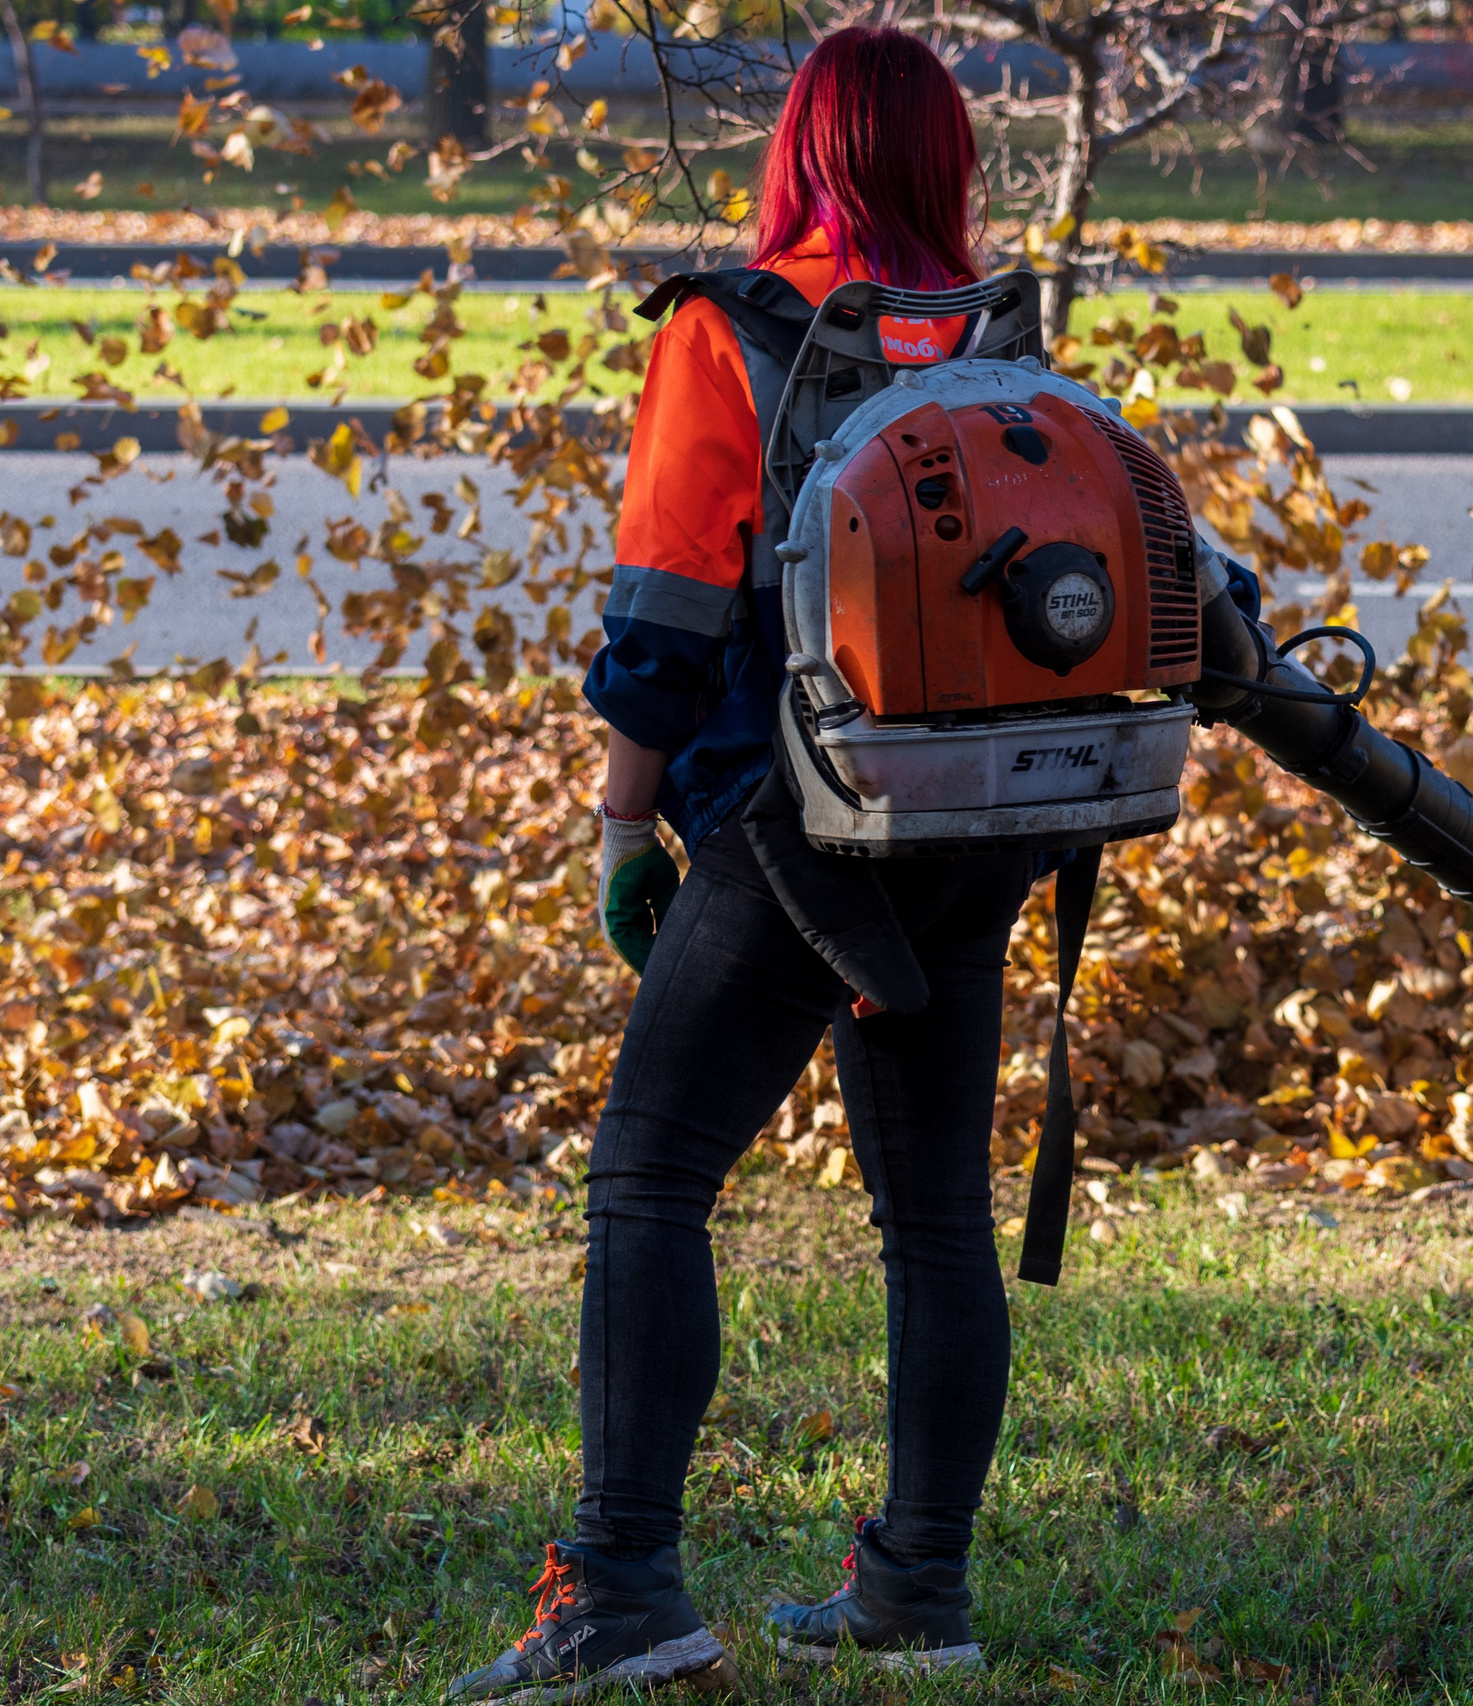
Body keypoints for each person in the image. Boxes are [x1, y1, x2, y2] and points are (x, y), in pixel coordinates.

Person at [449, 27, 1025, 1698]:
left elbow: (665, 620)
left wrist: (628, 823)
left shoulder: (735, 330)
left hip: (793, 831)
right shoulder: (997, 341)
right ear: (942, 164)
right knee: (935, 1215)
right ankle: (921, 1584)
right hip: (976, 824)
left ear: (797, 155)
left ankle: (623, 1582)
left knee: (649, 1179)